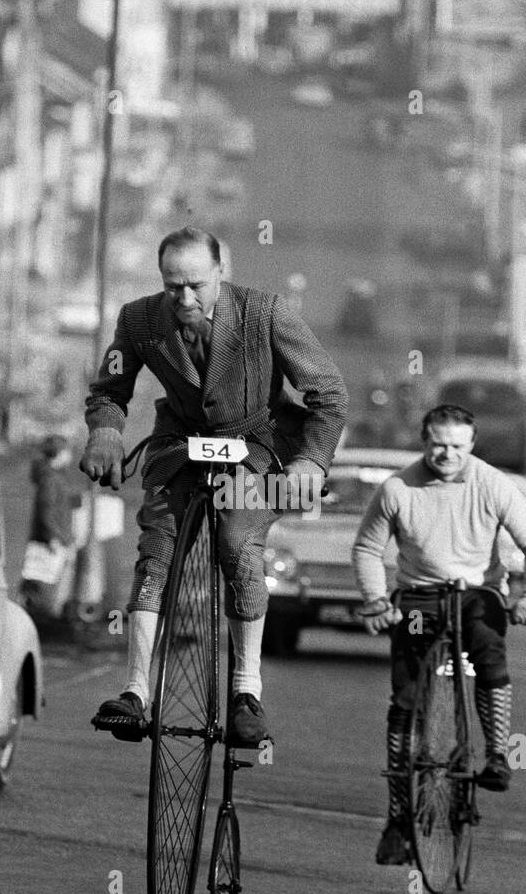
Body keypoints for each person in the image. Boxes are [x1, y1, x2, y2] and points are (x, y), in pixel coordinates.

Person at [80, 227, 348, 746]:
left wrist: (311, 463)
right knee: (157, 549)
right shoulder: (138, 319)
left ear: (221, 275)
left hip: (256, 441)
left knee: (236, 542)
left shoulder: (267, 314)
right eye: (173, 285)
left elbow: (328, 392)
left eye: (196, 285)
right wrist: (106, 433)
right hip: (181, 441)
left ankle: (247, 692)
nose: (184, 298)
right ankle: (136, 691)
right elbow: (110, 389)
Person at [351, 404, 526, 866]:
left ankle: (498, 755)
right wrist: (376, 599)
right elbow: (367, 547)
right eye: (438, 445)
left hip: (476, 595)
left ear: (472, 446)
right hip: (421, 601)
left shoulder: (492, 484)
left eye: (457, 447)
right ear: (424, 441)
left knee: (487, 649)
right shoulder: (398, 488)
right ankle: (399, 816)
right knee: (404, 696)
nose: (447, 454)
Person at [20, 435, 78, 618]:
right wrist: (54, 537)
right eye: (67, 452)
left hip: (49, 538)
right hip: (50, 541)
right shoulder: (51, 479)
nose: (70, 456)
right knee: (43, 582)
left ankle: (38, 614)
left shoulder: (50, 477)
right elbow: (47, 510)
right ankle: (41, 618)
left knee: (39, 580)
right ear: (59, 454)